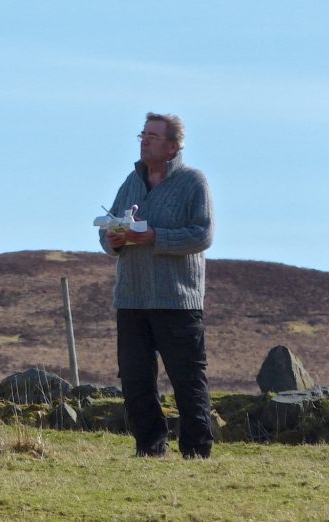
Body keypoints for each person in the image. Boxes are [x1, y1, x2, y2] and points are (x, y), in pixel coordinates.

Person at [100, 112, 215, 459]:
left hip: (176, 300)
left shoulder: (193, 182)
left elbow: (202, 234)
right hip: (132, 299)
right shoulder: (130, 183)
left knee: (187, 380)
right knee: (135, 380)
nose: (144, 140)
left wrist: (155, 237)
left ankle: (197, 451)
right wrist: (115, 239)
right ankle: (149, 447)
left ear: (173, 146)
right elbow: (107, 236)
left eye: (153, 136)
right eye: (143, 134)